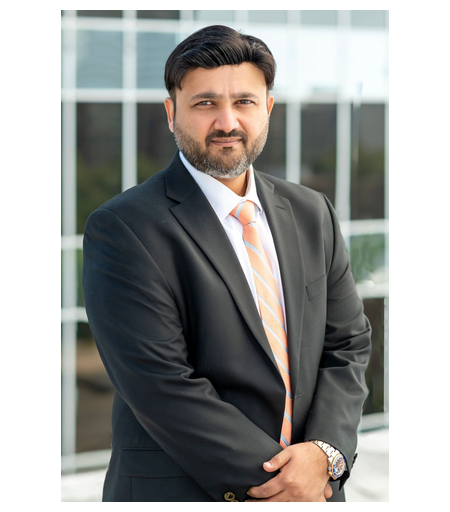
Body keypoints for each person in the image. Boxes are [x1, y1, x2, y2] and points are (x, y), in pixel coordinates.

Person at [81, 24, 372, 502]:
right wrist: (288, 484)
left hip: (315, 489)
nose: (227, 121)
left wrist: (325, 455)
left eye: (244, 102)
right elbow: (162, 385)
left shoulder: (311, 211)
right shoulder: (124, 228)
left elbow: (347, 344)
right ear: (171, 113)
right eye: (205, 103)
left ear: (268, 109)